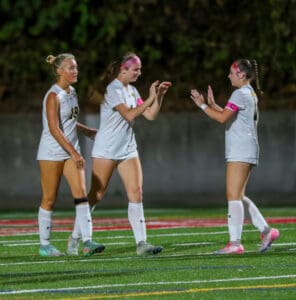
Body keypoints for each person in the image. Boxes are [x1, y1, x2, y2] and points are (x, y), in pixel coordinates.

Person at [190, 59, 279, 254]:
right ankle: (266, 230)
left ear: (241, 74)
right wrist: (212, 104)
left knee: (233, 196)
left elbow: (222, 119)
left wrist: (202, 106)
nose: (228, 76)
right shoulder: (248, 92)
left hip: (241, 149)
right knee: (238, 195)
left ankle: (235, 243)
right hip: (246, 148)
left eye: (231, 72)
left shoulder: (239, 93)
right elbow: (230, 115)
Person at [87, 52, 172, 256]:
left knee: (136, 193)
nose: (139, 73)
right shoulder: (112, 89)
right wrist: (151, 96)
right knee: (96, 195)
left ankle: (142, 243)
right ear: (123, 70)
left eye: (140, 69)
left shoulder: (132, 90)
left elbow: (150, 115)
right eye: (136, 69)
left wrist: (158, 96)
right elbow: (130, 114)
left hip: (127, 148)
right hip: (106, 149)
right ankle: (79, 236)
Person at [37, 53, 105, 257]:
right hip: (51, 152)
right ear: (59, 71)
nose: (75, 71)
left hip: (69, 151)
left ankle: (87, 242)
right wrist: (75, 152)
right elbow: (54, 128)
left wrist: (87, 131)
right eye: (71, 68)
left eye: (76, 67)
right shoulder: (53, 95)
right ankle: (45, 245)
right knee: (50, 198)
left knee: (81, 195)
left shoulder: (72, 92)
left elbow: (69, 121)